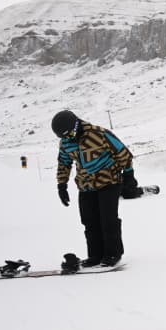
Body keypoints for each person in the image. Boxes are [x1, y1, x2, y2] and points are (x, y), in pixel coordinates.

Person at [52, 110, 133, 267]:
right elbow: (64, 163)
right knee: (89, 222)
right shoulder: (66, 143)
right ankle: (95, 255)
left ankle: (112, 254)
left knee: (108, 220)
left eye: (68, 135)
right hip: (86, 186)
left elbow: (123, 154)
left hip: (109, 182)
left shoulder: (99, 134)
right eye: (63, 137)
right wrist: (61, 185)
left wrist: (129, 176)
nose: (67, 139)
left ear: (76, 125)